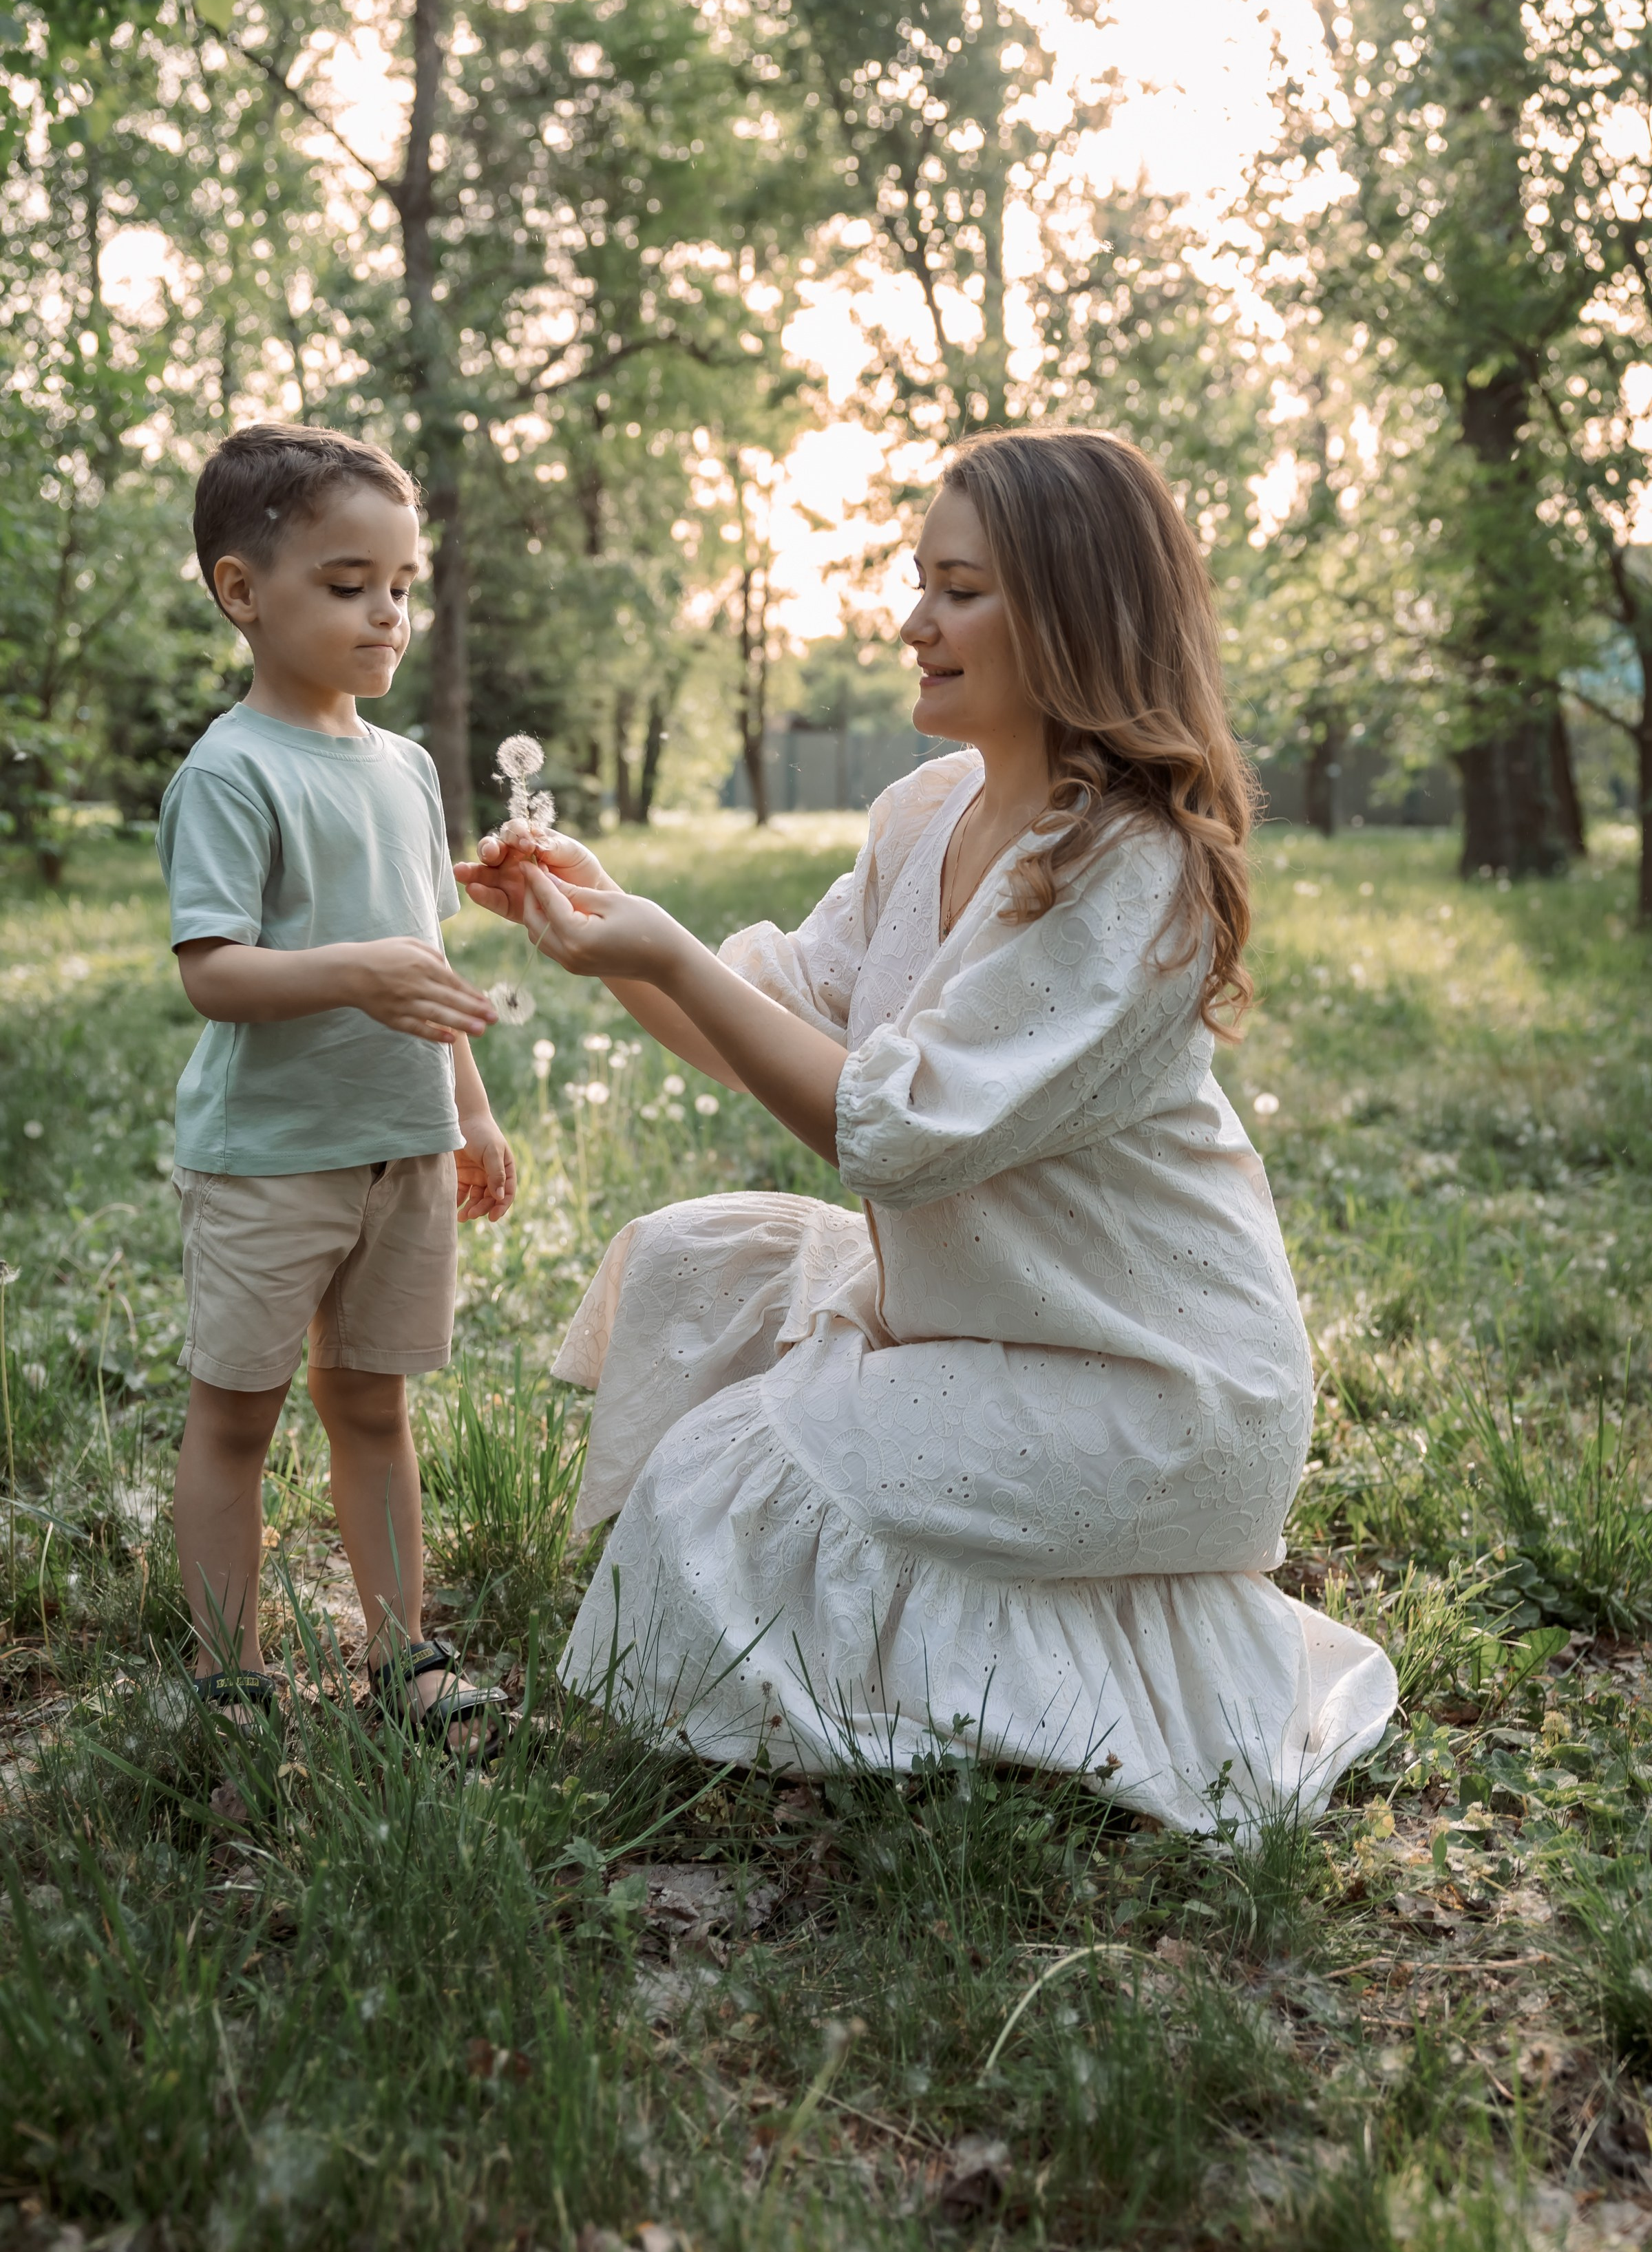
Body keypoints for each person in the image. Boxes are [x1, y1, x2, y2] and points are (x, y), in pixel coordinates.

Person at [461, 428, 1397, 1828]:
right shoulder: (930, 810)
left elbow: (887, 1133)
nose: (914, 624)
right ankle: (963, 1651)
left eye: (958, 591)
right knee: (697, 1262)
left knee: (729, 1480)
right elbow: (770, 1013)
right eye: (921, 584)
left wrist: (664, 953)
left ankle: (994, 1704)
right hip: (986, 1311)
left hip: (1153, 1380)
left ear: (1074, 616)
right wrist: (611, 925)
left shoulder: (1133, 871)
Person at [156, 423, 514, 1759]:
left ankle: (401, 1653)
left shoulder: (406, 769)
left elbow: (423, 965)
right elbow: (214, 973)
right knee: (236, 1417)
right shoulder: (231, 772)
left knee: (373, 1405)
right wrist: (352, 972)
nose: (387, 614)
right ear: (243, 590)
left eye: (403, 586)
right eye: (349, 583)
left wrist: (468, 1107)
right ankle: (228, 1678)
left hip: (401, 1148)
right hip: (271, 1155)